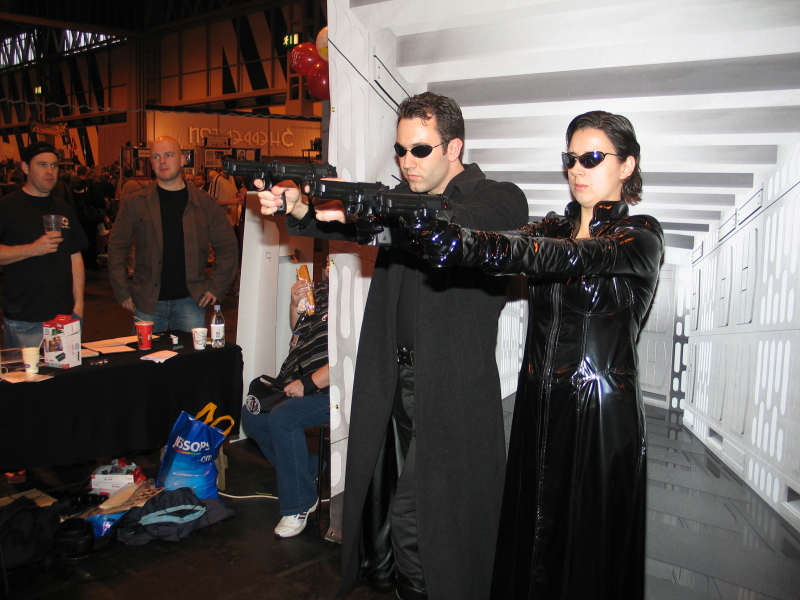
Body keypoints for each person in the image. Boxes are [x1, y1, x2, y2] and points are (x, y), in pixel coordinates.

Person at [258, 92, 529, 600]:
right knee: (398, 506)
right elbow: (364, 223)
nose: (407, 161)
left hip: (449, 390)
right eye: (401, 150)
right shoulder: (403, 203)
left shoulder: (497, 197)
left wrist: (372, 212)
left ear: (454, 148)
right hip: (396, 380)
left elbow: (461, 222)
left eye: (420, 150)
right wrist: (301, 208)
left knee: (419, 522)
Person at [400, 111, 665, 600]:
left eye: (591, 158)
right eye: (571, 158)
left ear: (627, 165)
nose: (577, 169)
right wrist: (337, 216)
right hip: (538, 403)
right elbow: (512, 243)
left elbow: (567, 257)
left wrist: (466, 245)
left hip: (599, 413)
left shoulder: (640, 236)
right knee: (528, 536)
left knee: (586, 545)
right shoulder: (554, 226)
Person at [107, 136, 238, 332]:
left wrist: (216, 287)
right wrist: (122, 290)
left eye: (168, 155)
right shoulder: (135, 202)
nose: (162, 161)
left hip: (191, 300)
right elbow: (117, 247)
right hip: (147, 302)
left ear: (183, 159)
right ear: (151, 163)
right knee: (145, 353)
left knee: (190, 353)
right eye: (156, 157)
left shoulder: (204, 203)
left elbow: (227, 246)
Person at [240, 261, 331, 538]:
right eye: (330, 260)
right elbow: (299, 329)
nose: (330, 265)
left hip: (334, 389)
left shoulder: (357, 298)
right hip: (298, 379)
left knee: (283, 418)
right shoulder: (321, 291)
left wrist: (307, 384)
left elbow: (352, 357)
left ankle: (299, 503)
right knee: (253, 414)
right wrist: (295, 305)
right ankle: (308, 469)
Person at [0, 141, 88, 349]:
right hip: (25, 319)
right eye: (42, 165)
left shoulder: (64, 209)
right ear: (25, 167)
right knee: (29, 372)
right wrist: (33, 249)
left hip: (64, 316)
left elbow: (75, 256)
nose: (50, 171)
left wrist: (79, 305)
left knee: (65, 371)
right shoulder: (7, 207)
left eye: (54, 165)